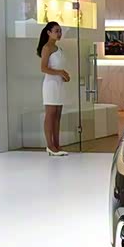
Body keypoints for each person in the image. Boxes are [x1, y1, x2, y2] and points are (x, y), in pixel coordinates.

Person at [38, 22, 71, 157]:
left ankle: (57, 145)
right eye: (56, 31)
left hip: (59, 84)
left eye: (60, 31)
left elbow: (58, 68)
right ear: (49, 33)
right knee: (50, 114)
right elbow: (43, 68)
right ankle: (50, 145)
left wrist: (64, 75)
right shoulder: (47, 48)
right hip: (50, 85)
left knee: (57, 115)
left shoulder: (58, 48)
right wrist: (60, 72)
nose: (59, 34)